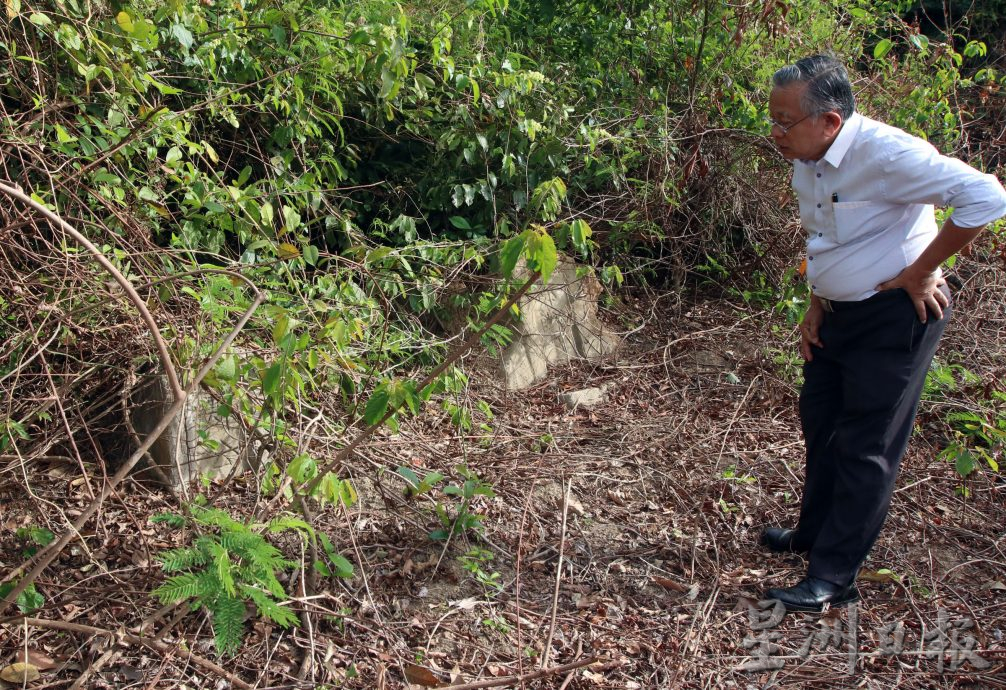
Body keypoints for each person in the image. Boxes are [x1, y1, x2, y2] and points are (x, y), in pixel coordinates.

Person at [760, 54, 1006, 612]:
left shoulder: (888, 153)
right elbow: (826, 234)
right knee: (820, 420)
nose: (775, 134)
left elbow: (987, 196)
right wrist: (817, 301)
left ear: (830, 121)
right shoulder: (809, 158)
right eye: (771, 120)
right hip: (836, 315)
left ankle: (833, 575)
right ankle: (812, 533)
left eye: (784, 121)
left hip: (895, 315)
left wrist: (922, 268)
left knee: (867, 443)